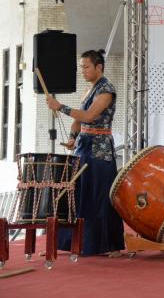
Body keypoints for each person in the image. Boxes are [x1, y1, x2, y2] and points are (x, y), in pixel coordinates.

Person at [46, 49, 125, 257]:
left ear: (99, 67)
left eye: (86, 67)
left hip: (100, 150)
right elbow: (79, 120)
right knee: (79, 193)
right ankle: (78, 243)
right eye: (81, 67)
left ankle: (108, 245)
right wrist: (72, 137)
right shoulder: (88, 90)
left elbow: (89, 116)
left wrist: (60, 106)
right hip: (83, 145)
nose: (83, 70)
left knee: (100, 194)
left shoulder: (106, 89)